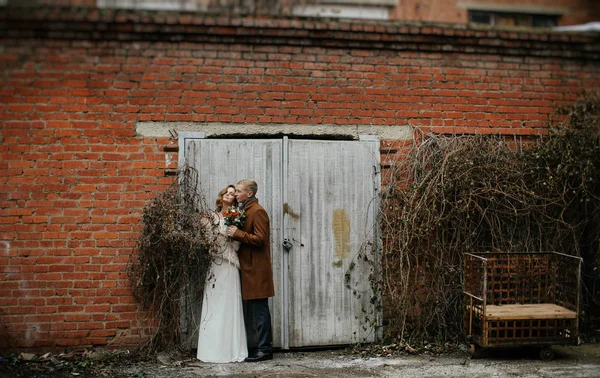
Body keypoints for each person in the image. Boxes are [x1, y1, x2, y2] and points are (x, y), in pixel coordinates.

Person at [197, 185, 248, 363]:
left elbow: (237, 243)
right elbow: (205, 241)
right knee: (214, 304)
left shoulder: (237, 217)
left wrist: (231, 233)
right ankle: (211, 350)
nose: (229, 194)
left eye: (233, 193)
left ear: (235, 199)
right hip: (215, 263)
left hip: (230, 263)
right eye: (227, 192)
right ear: (222, 196)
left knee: (229, 305)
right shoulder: (209, 217)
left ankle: (230, 349)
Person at [226, 179, 275, 362]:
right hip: (248, 267)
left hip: (257, 269)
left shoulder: (258, 211)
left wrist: (237, 234)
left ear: (249, 193)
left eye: (238, 191)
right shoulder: (244, 210)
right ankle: (260, 347)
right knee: (255, 310)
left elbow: (260, 239)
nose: (236, 194)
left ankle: (265, 350)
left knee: (260, 311)